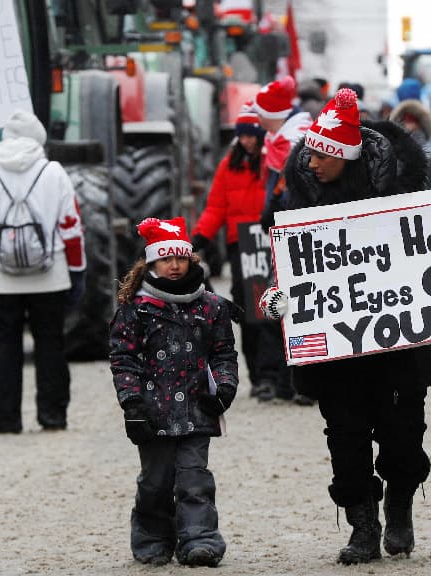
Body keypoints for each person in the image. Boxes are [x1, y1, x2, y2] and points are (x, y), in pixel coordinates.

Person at [256, 88, 431, 564]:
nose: (310, 164)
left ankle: (401, 504)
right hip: (336, 348)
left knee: (404, 435)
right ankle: (362, 526)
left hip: (399, 345)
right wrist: (275, 297)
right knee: (345, 437)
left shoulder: (408, 188)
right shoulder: (297, 195)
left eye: (321, 156)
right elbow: (286, 261)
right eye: (308, 155)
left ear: (344, 158)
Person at [109, 216, 238, 568]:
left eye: (181, 258)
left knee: (195, 479)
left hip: (198, 410)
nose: (175, 265)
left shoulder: (211, 306)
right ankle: (152, 538)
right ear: (151, 263)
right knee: (155, 482)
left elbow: (224, 352)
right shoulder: (135, 310)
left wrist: (225, 388)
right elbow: (124, 359)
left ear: (190, 259)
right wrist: (132, 403)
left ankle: (200, 539)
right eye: (166, 259)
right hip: (153, 413)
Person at [0, 109, 86, 434]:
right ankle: (53, 416)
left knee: (5, 345)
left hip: (0, 278)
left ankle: (4, 419)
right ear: (39, 140)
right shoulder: (54, 172)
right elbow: (72, 228)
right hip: (50, 274)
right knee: (50, 344)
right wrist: (77, 271)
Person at [190, 103, 272, 399]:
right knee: (251, 312)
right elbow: (216, 207)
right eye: (243, 135)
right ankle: (261, 376)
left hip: (271, 240)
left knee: (275, 310)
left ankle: (282, 374)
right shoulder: (229, 166)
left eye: (252, 134)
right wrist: (200, 237)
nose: (247, 140)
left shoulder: (272, 162)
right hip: (244, 246)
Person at [253, 76, 313, 401]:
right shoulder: (282, 141)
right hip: (284, 232)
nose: (257, 119)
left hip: (293, 235)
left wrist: (272, 213)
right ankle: (287, 381)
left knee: (289, 308)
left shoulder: (290, 145)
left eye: (260, 113)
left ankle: (295, 381)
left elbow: (289, 192)